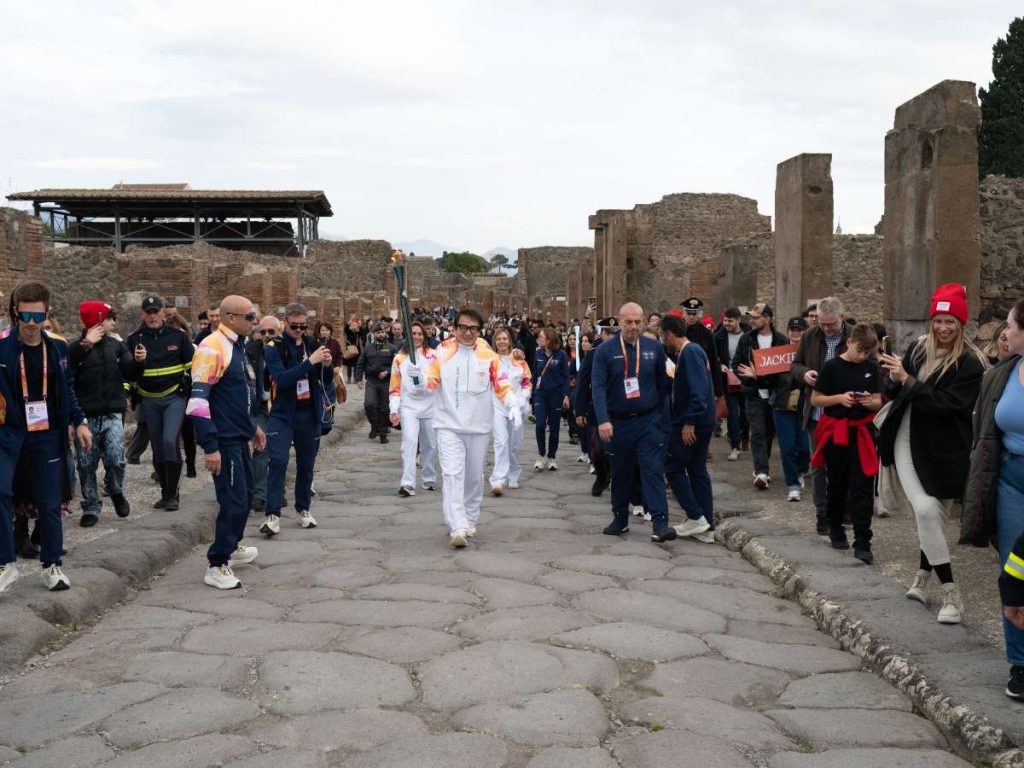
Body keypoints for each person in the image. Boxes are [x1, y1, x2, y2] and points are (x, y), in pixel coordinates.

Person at [878, 283, 987, 625]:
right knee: (925, 510)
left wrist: (908, 380)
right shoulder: (917, 349)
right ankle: (952, 593)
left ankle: (922, 579)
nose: (943, 328)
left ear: (961, 325)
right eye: (938, 320)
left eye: (950, 322)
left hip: (947, 451)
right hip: (907, 438)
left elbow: (947, 406)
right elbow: (894, 392)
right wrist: (896, 378)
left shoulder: (971, 364)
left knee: (935, 518)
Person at [0, 282, 92, 594]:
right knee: (1, 492)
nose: (29, 322)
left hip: (48, 434)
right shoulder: (2, 346)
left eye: (36, 316)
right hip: (9, 433)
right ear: (15, 313)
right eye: (23, 315)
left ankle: (52, 565)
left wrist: (79, 421)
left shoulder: (57, 347)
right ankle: (5, 563)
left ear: (47, 315)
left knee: (49, 502)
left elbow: (66, 387)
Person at [962, 298, 1024, 697]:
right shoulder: (1003, 373)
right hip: (1009, 478)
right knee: (1013, 571)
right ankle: (1020, 664)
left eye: (1012, 325)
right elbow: (985, 430)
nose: (1006, 331)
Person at [423, 308, 521, 547]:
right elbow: (430, 385)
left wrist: (513, 404)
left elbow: (501, 384)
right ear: (454, 328)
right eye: (463, 328)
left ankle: (469, 516)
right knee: (452, 474)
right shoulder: (441, 353)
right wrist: (418, 377)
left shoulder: (488, 355)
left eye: (473, 328)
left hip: (478, 426)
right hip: (448, 425)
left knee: (474, 477)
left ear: (479, 330)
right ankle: (456, 525)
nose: (468, 332)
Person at [186, 295, 264, 589]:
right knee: (233, 501)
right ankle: (217, 563)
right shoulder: (211, 347)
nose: (254, 321)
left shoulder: (236, 346)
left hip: (239, 436)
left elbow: (239, 392)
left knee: (244, 498)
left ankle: (232, 545)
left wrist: (252, 427)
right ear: (230, 317)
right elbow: (197, 402)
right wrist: (210, 446)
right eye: (250, 316)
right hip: (224, 441)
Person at [592, 302, 675, 542]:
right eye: (629, 322)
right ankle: (620, 518)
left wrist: (661, 417)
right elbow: (597, 387)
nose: (634, 327)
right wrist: (603, 420)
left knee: (652, 470)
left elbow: (663, 383)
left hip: (648, 422)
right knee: (621, 472)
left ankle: (660, 523)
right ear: (619, 321)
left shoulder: (653, 348)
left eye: (638, 322)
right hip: (618, 424)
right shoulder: (605, 351)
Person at [809, 323, 883, 563]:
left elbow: (879, 401)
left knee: (862, 487)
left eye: (867, 353)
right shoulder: (831, 367)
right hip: (836, 432)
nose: (862, 357)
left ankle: (863, 541)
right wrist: (840, 398)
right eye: (860, 351)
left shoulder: (872, 368)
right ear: (850, 342)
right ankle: (835, 527)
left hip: (862, 432)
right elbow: (816, 399)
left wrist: (866, 401)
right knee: (838, 483)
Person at [261, 303, 334, 535]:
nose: (299, 330)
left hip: (308, 412)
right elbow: (282, 380)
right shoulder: (274, 347)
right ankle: (272, 514)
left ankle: (303, 508)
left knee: (306, 463)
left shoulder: (312, 343)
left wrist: (327, 365)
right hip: (283, 413)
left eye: (303, 325)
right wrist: (309, 362)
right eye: (295, 326)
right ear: (285, 322)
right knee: (279, 461)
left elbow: (325, 379)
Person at [68, 301, 143, 526]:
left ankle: (115, 488)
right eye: (110, 318)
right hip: (86, 416)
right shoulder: (75, 348)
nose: (114, 322)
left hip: (112, 412)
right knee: (86, 464)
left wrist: (140, 362)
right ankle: (91, 506)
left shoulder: (117, 346)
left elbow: (129, 372)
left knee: (115, 458)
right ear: (97, 321)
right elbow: (67, 371)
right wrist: (85, 344)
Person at [791, 297, 854, 534]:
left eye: (831, 324)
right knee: (819, 466)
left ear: (842, 316)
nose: (826, 329)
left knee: (844, 464)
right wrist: (805, 374)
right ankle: (822, 515)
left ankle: (843, 509)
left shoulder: (853, 336)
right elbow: (795, 364)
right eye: (822, 324)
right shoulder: (810, 335)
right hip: (816, 412)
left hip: (845, 413)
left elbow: (869, 364)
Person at [125, 295, 194, 511]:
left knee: (168, 441)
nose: (153, 316)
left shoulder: (178, 337)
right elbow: (128, 373)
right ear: (142, 314)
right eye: (149, 312)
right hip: (149, 399)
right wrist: (138, 363)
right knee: (156, 447)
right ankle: (165, 493)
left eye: (156, 311)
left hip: (174, 396)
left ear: (164, 312)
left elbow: (193, 366)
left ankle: (174, 495)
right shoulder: (134, 339)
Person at [660, 315, 716, 543]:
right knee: (696, 470)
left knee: (672, 467)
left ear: (669, 334)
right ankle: (707, 527)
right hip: (701, 420)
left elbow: (698, 391)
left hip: (693, 423)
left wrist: (689, 422)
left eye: (663, 336)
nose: (663, 340)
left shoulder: (690, 353)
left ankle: (696, 517)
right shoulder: (692, 352)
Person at [732, 303, 788, 490]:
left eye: (756, 317)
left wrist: (760, 375)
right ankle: (761, 471)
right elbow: (737, 364)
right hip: (753, 394)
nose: (752, 320)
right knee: (757, 431)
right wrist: (746, 377)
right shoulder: (747, 339)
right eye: (752, 317)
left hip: (773, 394)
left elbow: (784, 369)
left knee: (770, 432)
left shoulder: (781, 340)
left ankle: (764, 467)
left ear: (767, 318)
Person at [389, 321, 439, 496]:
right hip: (409, 406)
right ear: (408, 336)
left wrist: (421, 378)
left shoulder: (433, 356)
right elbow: (395, 387)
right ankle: (408, 483)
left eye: (420, 334)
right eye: (413, 334)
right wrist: (394, 409)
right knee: (409, 442)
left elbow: (436, 383)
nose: (416, 337)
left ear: (424, 336)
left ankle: (429, 477)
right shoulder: (399, 358)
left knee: (430, 444)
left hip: (430, 405)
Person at [575, 320, 618, 497]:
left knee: (617, 449)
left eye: (613, 334)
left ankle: (617, 480)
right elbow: (583, 383)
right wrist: (579, 410)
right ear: (602, 334)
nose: (610, 337)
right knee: (598, 449)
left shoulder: (624, 351)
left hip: (618, 408)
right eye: (607, 333)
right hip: (597, 408)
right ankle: (602, 476)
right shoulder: (593, 354)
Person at [488, 327, 532, 495]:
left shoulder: (519, 361)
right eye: (498, 339)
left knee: (513, 445)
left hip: (517, 408)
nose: (501, 342)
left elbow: (527, 381)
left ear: (509, 341)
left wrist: (524, 397)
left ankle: (513, 474)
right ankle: (497, 480)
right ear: (494, 342)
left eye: (504, 339)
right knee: (500, 442)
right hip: (498, 406)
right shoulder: (491, 361)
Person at [246, 315, 282, 513]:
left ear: (279, 331)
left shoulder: (286, 349)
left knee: (278, 451)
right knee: (261, 447)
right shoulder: (251, 350)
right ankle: (259, 494)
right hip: (260, 405)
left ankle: (278, 491)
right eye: (263, 332)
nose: (267, 335)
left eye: (271, 332)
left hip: (280, 406)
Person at [773, 317, 811, 502]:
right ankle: (792, 485)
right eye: (792, 329)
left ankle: (800, 471)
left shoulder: (811, 352)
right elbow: (769, 377)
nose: (795, 333)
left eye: (799, 330)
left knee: (805, 447)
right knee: (787, 446)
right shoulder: (779, 352)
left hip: (805, 404)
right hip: (782, 404)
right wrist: (755, 375)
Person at [532, 327, 570, 471]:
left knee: (554, 428)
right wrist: (532, 392)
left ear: (548, 340)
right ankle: (541, 455)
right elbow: (535, 374)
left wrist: (566, 394)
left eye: (541, 337)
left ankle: (551, 456)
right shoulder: (538, 354)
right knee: (540, 424)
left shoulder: (561, 355)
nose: (539, 339)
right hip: (541, 394)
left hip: (556, 395)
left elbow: (566, 377)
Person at [714, 307, 749, 462]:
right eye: (725, 320)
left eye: (730, 320)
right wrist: (720, 364)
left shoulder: (749, 334)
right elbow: (714, 355)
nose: (727, 323)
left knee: (746, 413)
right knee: (733, 414)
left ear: (738, 320)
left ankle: (744, 437)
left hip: (746, 377)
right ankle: (735, 446)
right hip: (727, 379)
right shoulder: (718, 336)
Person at [356, 322, 398, 443]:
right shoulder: (368, 348)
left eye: (383, 332)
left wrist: (388, 371)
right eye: (378, 332)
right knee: (369, 404)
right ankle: (374, 426)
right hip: (372, 381)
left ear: (386, 333)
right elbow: (360, 363)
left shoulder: (392, 348)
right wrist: (358, 379)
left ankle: (383, 433)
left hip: (386, 382)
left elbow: (397, 365)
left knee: (384, 408)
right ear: (374, 334)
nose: (381, 334)